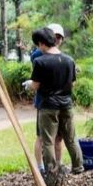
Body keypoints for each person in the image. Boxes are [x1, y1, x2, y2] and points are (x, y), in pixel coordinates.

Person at [29, 26, 84, 186]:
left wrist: (28, 85)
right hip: (66, 104)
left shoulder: (40, 61)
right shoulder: (69, 60)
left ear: (41, 43)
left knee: (48, 140)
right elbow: (72, 83)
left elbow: (36, 85)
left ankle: (51, 175)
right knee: (71, 137)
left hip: (48, 106)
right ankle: (78, 167)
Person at [25, 24, 68, 171]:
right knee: (42, 137)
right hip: (44, 102)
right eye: (54, 37)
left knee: (58, 138)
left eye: (59, 37)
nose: (56, 40)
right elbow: (40, 78)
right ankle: (41, 167)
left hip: (60, 103)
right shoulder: (39, 54)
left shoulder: (59, 54)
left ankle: (58, 164)